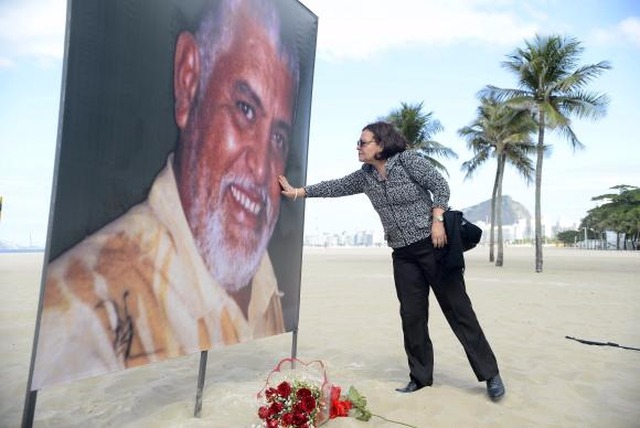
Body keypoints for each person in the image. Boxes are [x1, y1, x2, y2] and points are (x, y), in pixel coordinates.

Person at [32, 0, 299, 389]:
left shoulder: (265, 277)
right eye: (244, 109)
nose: (261, 169)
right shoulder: (80, 318)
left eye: (278, 137)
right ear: (188, 82)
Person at [278, 121, 506, 401]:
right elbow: (335, 187)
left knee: (459, 311)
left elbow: (440, 186)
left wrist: (437, 220)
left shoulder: (408, 161)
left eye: (363, 142)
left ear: (381, 145)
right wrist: (298, 192)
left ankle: (491, 375)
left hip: (434, 246)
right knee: (412, 316)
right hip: (403, 254)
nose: (358, 147)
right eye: (359, 143)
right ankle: (421, 377)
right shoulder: (365, 176)